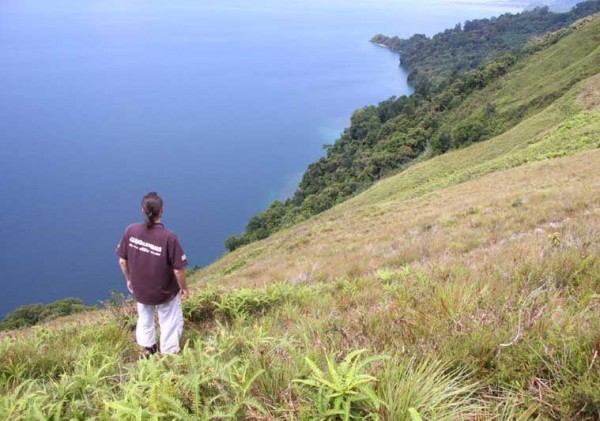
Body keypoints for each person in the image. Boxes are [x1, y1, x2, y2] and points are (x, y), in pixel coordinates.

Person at [116, 192, 189, 356]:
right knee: (169, 321)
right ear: (162, 210)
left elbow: (122, 260)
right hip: (165, 291)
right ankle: (169, 353)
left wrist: (129, 280)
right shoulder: (169, 237)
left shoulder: (131, 230)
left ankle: (148, 349)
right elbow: (178, 269)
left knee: (144, 318)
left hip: (140, 288)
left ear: (142, 210)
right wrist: (184, 289)